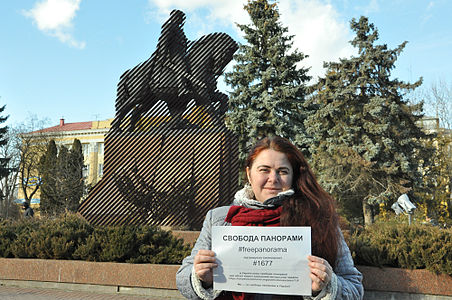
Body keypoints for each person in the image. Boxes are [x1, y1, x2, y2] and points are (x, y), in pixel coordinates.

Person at [176, 136, 363, 299]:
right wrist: (201, 278)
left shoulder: (319, 217)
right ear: (249, 174)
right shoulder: (219, 218)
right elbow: (183, 277)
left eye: (282, 171)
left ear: (293, 177)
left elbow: (354, 287)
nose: (273, 179)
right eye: (264, 170)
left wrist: (325, 286)